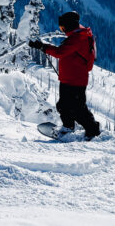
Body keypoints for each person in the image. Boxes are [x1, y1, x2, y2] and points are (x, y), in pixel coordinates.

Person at [29, 11, 101, 141]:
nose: (62, 30)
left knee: (78, 108)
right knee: (64, 105)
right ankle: (68, 127)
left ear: (70, 25)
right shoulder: (80, 34)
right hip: (69, 78)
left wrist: (42, 47)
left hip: (75, 79)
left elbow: (60, 52)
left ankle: (93, 130)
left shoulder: (78, 38)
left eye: (63, 28)